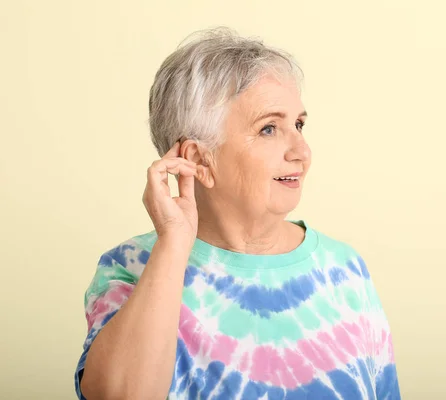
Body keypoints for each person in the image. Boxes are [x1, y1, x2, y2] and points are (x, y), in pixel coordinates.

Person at [74, 27, 402, 400]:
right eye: (268, 129)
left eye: (298, 124)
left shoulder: (344, 269)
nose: (302, 151)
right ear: (199, 161)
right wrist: (174, 241)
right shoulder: (130, 268)